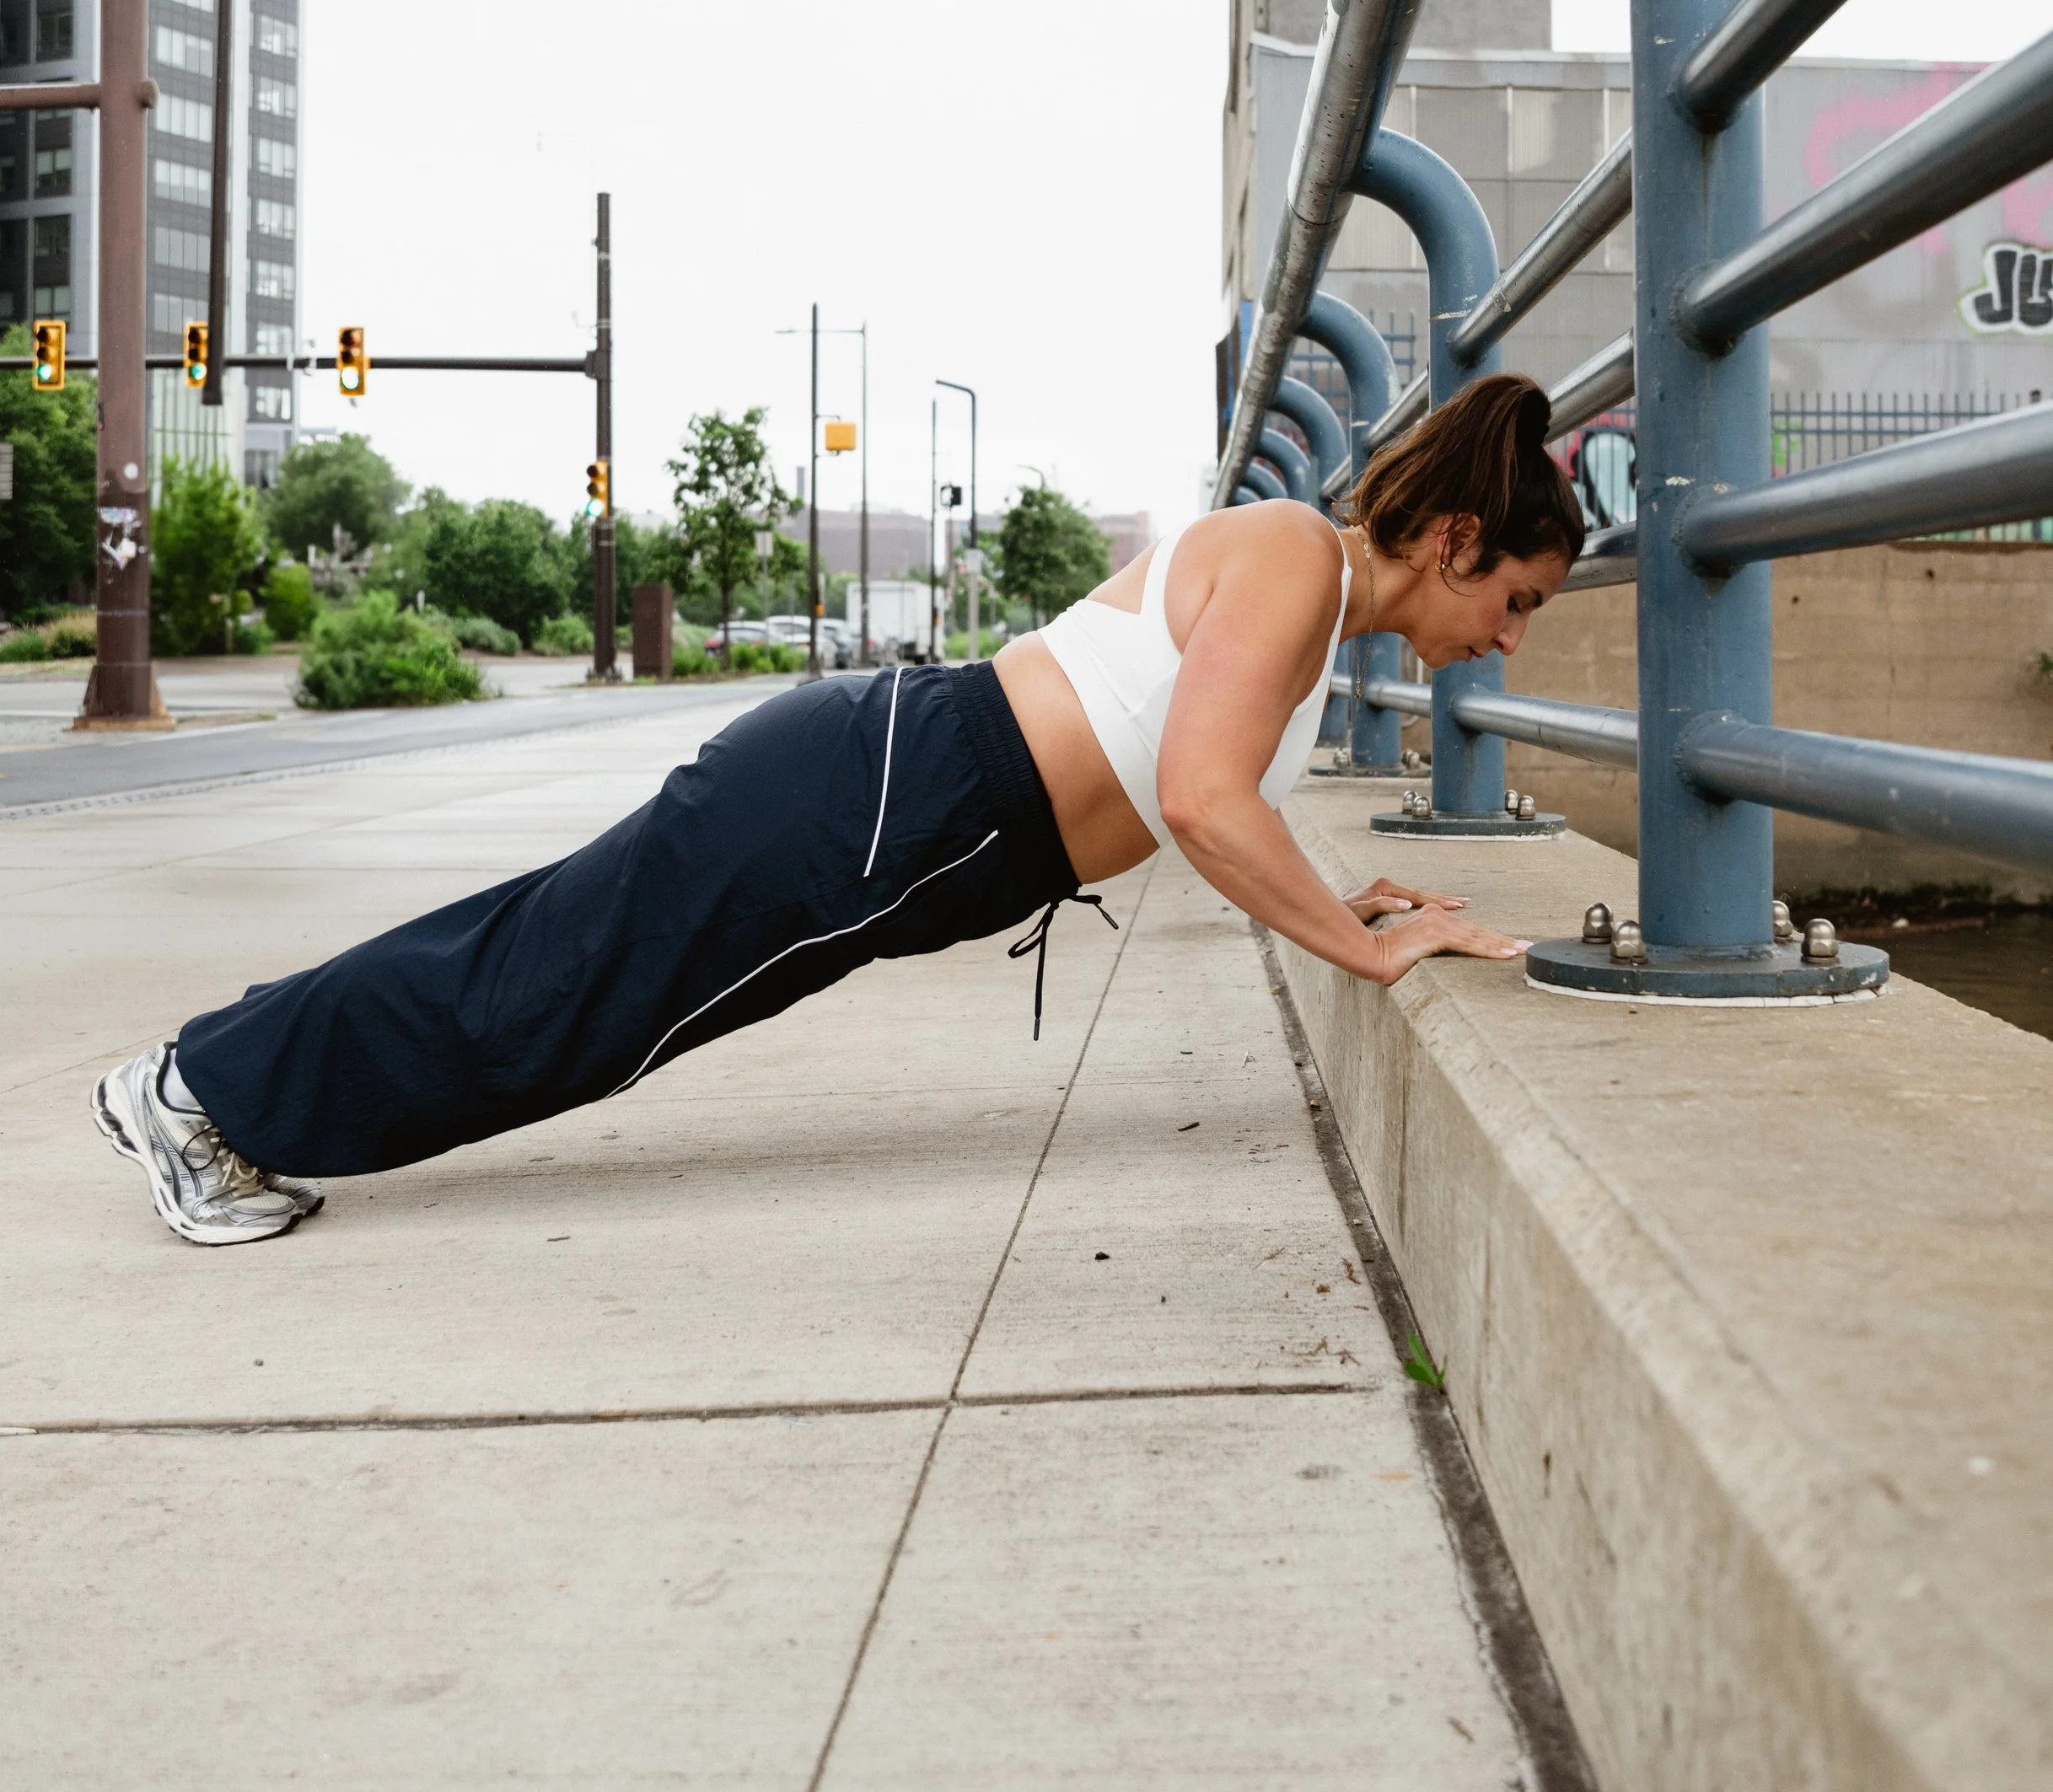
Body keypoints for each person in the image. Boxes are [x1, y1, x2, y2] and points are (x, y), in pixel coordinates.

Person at [92, 373, 1583, 1246]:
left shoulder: (1309, 601)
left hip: (892, 802)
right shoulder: (1289, 558)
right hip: (889, 798)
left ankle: (212, 1073)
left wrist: (1348, 903)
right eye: (1514, 599)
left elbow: (1194, 781)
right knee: (560, 996)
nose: (1508, 640)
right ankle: (198, 1095)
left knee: (558, 968)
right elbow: (1200, 796)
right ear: (1455, 540)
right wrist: (1366, 948)